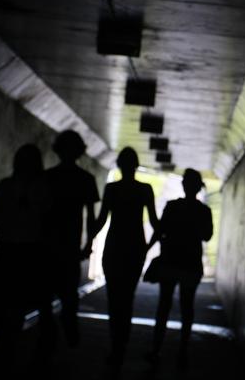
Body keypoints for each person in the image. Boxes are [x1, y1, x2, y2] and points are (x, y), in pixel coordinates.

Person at [89, 147, 159, 366]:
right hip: (135, 248)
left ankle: (115, 344)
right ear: (136, 165)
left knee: (113, 298)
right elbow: (156, 223)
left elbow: (100, 222)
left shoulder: (111, 189)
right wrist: (150, 246)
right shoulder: (145, 190)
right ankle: (122, 343)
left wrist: (86, 243)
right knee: (127, 298)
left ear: (119, 165)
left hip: (113, 248)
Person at [0, 143, 46, 372]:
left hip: (10, 250)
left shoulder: (7, 186)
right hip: (23, 251)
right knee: (12, 304)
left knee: (6, 303)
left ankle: (4, 346)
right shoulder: (40, 188)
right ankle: (8, 346)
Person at [38, 130, 100, 355]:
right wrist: (89, 244)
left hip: (47, 246)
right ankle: (68, 328)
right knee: (68, 296)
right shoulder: (86, 180)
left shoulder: (47, 177)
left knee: (45, 297)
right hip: (69, 247)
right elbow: (91, 217)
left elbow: (39, 213)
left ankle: (48, 337)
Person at [145, 168, 213, 369]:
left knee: (164, 306)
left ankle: (156, 349)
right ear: (198, 187)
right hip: (191, 264)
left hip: (170, 262)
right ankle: (182, 351)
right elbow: (207, 236)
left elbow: (160, 230)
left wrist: (145, 249)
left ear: (184, 185)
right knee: (187, 307)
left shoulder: (172, 207)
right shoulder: (204, 211)